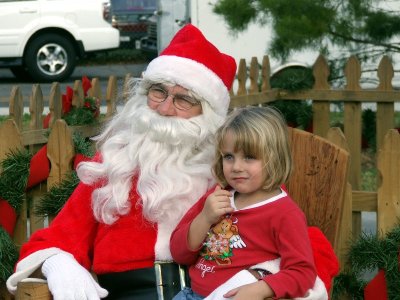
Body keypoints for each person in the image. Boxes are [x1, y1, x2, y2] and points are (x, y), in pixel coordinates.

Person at [6, 24, 237, 300]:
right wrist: (59, 264)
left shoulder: (231, 166)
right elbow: (57, 237)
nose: (164, 109)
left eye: (184, 99)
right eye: (158, 92)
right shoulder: (116, 162)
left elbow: (284, 227)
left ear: (209, 112)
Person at [170, 106, 328, 300]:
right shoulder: (218, 195)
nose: (236, 167)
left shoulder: (284, 213)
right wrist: (204, 218)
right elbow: (179, 254)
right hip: (191, 295)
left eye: (249, 157)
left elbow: (303, 272)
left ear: (274, 158)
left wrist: (261, 289)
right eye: (229, 156)